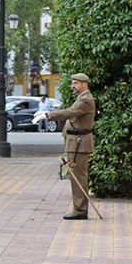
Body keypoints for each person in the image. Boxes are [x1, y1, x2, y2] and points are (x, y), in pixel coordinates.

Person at [35, 73, 95, 220]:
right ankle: (79, 208)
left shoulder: (86, 100)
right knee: (76, 176)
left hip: (79, 143)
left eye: (75, 83)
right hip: (76, 142)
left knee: (78, 177)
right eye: (72, 83)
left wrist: (48, 115)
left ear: (84, 84)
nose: (72, 86)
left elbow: (70, 113)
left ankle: (80, 210)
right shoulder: (82, 98)